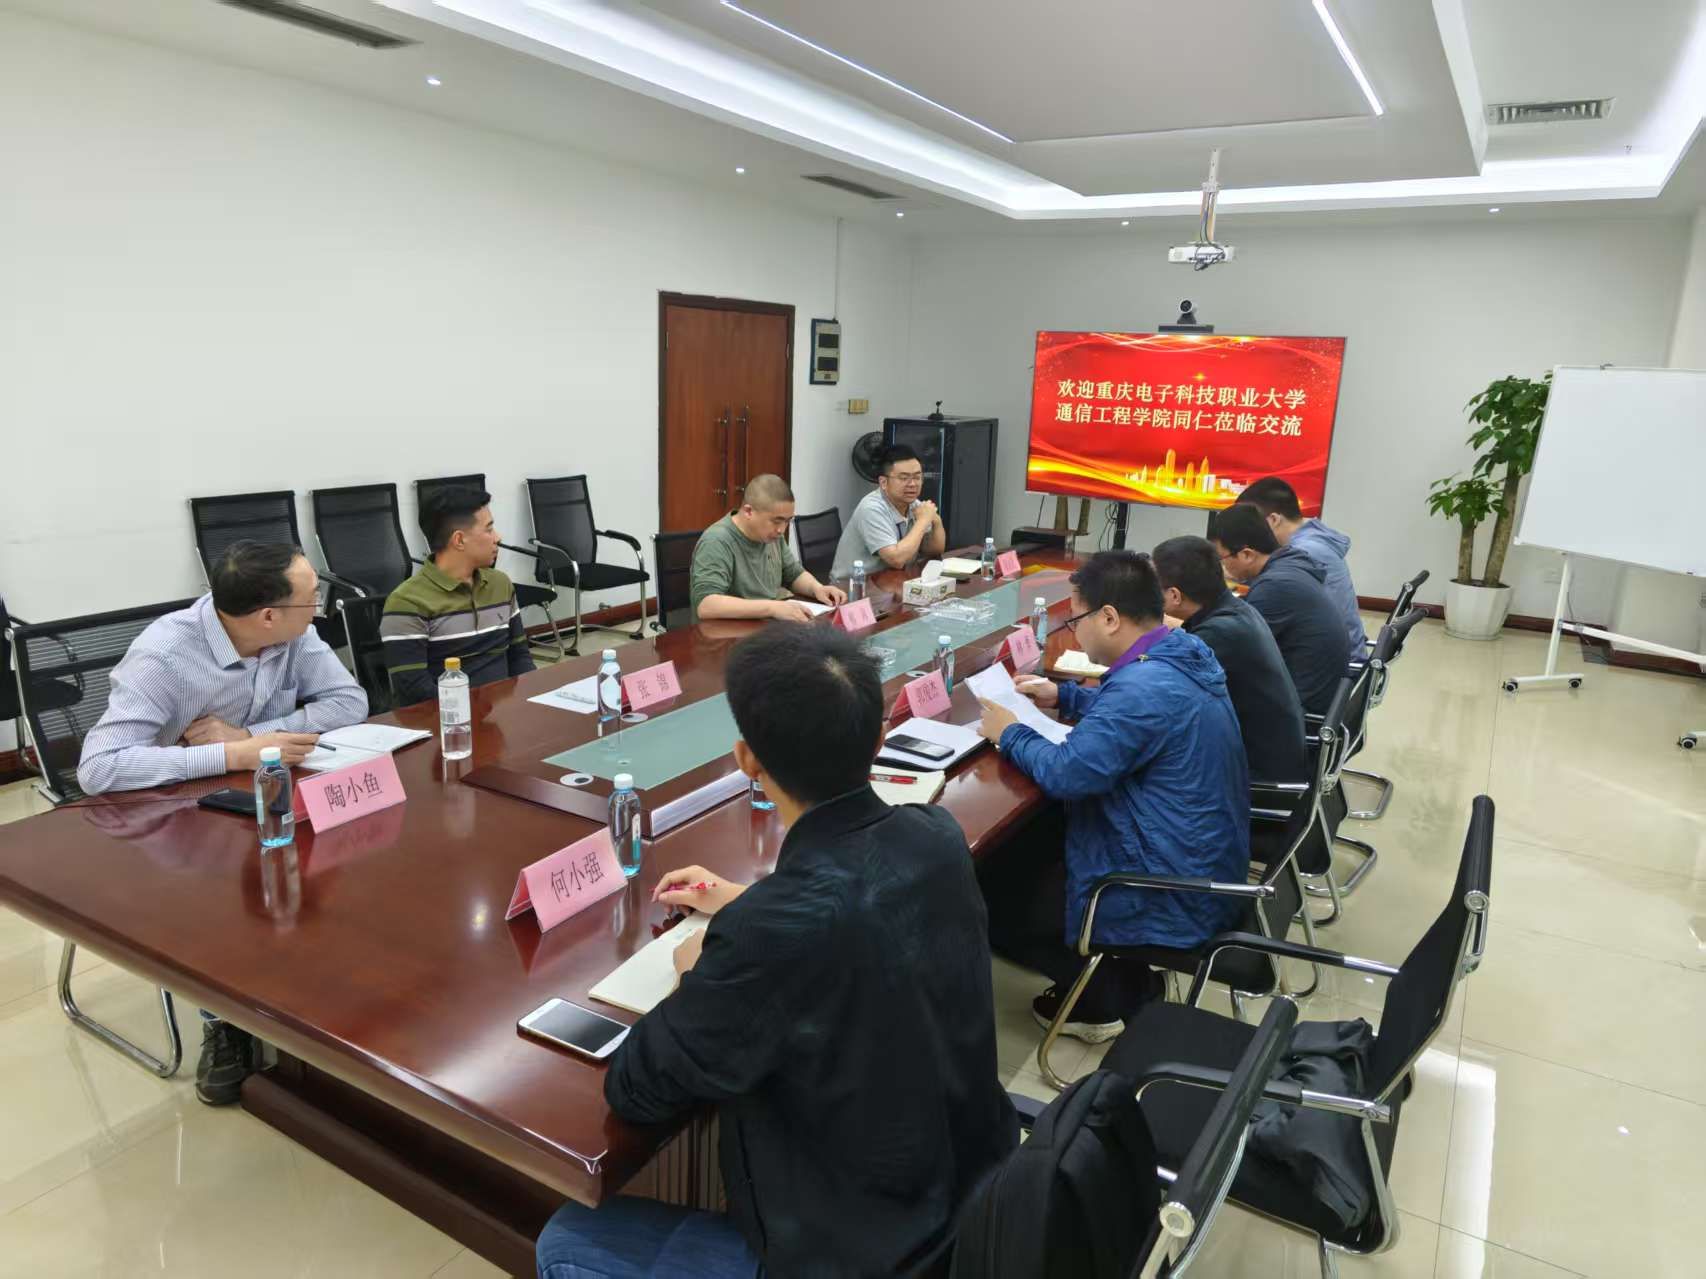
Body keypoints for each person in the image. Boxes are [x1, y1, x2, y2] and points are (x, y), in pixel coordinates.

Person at [537, 624, 1016, 1278]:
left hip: (868, 1256)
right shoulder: (935, 834)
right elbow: (858, 904)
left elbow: (637, 1088)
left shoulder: (768, 934)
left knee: (566, 1242)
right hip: (981, 1207)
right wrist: (744, 900)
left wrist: (697, 970)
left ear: (747, 760)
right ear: (878, 738)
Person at [75, 539, 368, 1106]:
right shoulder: (165, 655)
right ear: (268, 615)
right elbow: (99, 768)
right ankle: (224, 1020)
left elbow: (348, 701)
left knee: (344, 861)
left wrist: (252, 738)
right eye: (312, 598)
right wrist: (230, 755)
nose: (320, 608)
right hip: (174, 817)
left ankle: (314, 983)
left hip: (263, 796)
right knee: (226, 898)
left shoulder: (294, 633)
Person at [973, 551, 1249, 1043]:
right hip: (1197, 858)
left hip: (1165, 888)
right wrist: (1066, 696)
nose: (1075, 633)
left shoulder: (1144, 687)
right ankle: (1114, 977)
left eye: (1076, 619)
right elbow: (1133, 714)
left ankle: (1103, 1000)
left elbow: (1068, 773)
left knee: (989, 894)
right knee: (1031, 843)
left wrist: (1010, 732)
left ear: (1109, 617)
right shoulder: (1177, 651)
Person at [1152, 535, 1309, 784]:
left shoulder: (1217, 635)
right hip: (1273, 758)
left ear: (1174, 595)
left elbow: (1157, 695)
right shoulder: (1237, 611)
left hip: (1254, 776)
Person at [380, 485, 534, 704]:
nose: (497, 537)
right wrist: (473, 712)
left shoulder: (500, 584)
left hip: (502, 713)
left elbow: (520, 657)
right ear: (459, 540)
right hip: (446, 717)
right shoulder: (407, 602)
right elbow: (413, 687)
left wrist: (531, 699)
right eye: (489, 529)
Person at [1210, 503, 1348, 718]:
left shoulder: (1275, 586)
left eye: (1222, 559)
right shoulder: (1290, 565)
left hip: (1300, 713)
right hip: (1316, 696)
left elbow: (1230, 652)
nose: (1223, 567)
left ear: (1247, 554)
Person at [689, 474, 847, 622]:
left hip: (764, 625)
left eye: (787, 521)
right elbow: (707, 605)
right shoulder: (717, 541)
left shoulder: (772, 535)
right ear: (748, 511)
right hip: (727, 633)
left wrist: (817, 588)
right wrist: (772, 608)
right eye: (776, 521)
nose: (781, 530)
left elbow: (793, 574)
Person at [1239, 476, 1365, 661]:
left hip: (1335, 665)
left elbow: (1266, 594)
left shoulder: (1304, 552)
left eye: (1250, 525)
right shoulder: (1314, 540)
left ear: (1273, 520)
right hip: (1336, 653)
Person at [832, 443, 946, 576]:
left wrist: (936, 521)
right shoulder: (871, 509)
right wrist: (923, 521)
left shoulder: (914, 504)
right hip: (853, 584)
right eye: (904, 478)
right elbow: (896, 560)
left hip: (892, 581)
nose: (912, 484)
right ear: (883, 483)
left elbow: (933, 551)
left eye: (917, 477)